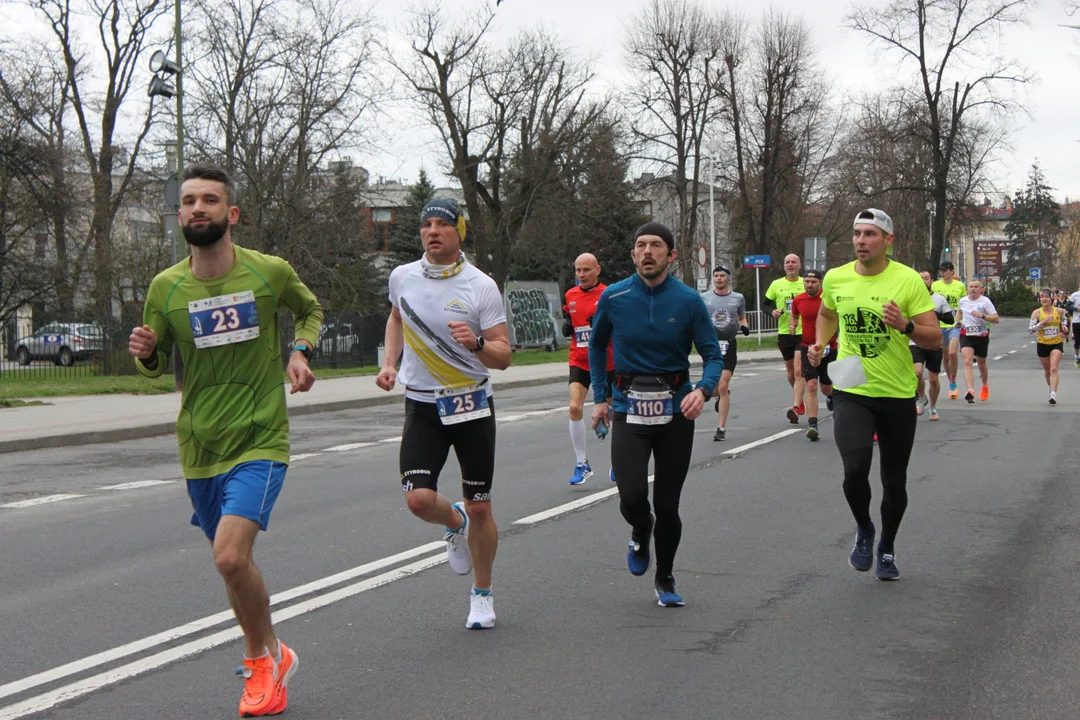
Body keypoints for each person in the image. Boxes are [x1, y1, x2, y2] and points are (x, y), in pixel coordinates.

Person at [128, 163, 321, 717]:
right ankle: (274, 651)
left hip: (260, 434)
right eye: (188, 201)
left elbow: (309, 310)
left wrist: (301, 351)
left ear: (231, 214)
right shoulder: (165, 288)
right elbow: (156, 361)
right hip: (199, 444)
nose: (197, 209)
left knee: (232, 557)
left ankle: (260, 662)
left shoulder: (269, 273)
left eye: (209, 200)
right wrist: (144, 353)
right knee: (229, 564)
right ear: (179, 214)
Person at [376, 198, 511, 630]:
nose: (433, 231)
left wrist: (474, 343)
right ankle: (454, 521)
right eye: (426, 225)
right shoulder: (402, 276)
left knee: (484, 508)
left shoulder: (481, 285)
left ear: (460, 233)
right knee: (417, 499)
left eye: (442, 225)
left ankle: (483, 594)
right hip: (422, 402)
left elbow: (504, 356)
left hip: (470, 401)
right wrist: (389, 363)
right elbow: (397, 318)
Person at [590, 222, 722, 607]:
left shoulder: (688, 301)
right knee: (631, 496)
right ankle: (639, 526)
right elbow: (597, 348)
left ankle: (664, 577)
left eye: (656, 246)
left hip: (675, 410)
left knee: (667, 504)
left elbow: (713, 355)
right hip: (628, 407)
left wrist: (703, 390)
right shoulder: (614, 297)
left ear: (671, 255)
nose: (648, 252)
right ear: (633, 255)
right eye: (641, 245)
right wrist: (600, 397)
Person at [809, 208, 939, 582]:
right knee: (854, 468)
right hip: (852, 389)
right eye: (856, 234)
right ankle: (865, 529)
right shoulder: (836, 278)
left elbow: (934, 337)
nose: (860, 241)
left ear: (888, 241)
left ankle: (888, 547)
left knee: (894, 480)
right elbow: (828, 314)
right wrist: (820, 343)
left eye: (869, 234)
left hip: (897, 393)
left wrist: (906, 325)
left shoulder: (908, 281)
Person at [563, 253, 616, 484]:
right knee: (575, 407)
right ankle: (582, 463)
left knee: (616, 413)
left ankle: (618, 463)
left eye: (586, 270)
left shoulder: (608, 294)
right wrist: (568, 325)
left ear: (598, 270)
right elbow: (571, 320)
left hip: (608, 362)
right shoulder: (570, 294)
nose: (582, 275)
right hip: (580, 360)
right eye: (578, 270)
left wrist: (605, 326)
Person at [700, 265, 749, 441]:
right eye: (716, 276)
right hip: (711, 346)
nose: (719, 278)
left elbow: (742, 317)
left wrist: (744, 326)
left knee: (721, 385)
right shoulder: (704, 298)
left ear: (728, 278)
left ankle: (721, 428)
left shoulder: (738, 298)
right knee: (715, 389)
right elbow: (698, 318)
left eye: (722, 276)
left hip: (729, 345)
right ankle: (722, 394)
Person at [789, 270, 836, 441]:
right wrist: (793, 325)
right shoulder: (798, 299)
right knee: (811, 385)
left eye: (813, 281)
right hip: (807, 346)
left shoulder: (828, 298)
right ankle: (813, 424)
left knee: (826, 387)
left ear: (821, 282)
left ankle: (831, 397)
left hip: (829, 347)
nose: (809, 284)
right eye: (807, 281)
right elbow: (794, 316)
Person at [765, 254, 806, 416]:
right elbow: (765, 305)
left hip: (802, 332)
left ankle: (796, 406)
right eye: (787, 262)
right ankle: (799, 398)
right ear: (784, 266)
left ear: (799, 266)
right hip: (784, 333)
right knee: (790, 374)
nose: (790, 265)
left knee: (798, 371)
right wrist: (772, 312)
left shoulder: (806, 283)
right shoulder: (776, 285)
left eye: (793, 262)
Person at [911, 270, 954, 422]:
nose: (923, 281)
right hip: (915, 342)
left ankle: (933, 406)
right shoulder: (911, 298)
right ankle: (921, 397)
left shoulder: (939, 299)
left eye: (926, 278)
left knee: (934, 379)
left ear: (931, 281)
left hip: (934, 342)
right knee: (917, 373)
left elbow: (950, 319)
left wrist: (937, 315)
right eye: (920, 278)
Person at [955, 279, 1000, 403]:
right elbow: (959, 312)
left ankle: (985, 385)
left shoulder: (985, 301)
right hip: (966, 334)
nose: (973, 289)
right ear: (967, 289)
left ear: (981, 289)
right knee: (968, 361)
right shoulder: (963, 300)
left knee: (981, 364)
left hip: (981, 335)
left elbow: (996, 319)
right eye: (971, 287)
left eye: (976, 287)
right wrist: (957, 322)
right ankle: (970, 390)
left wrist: (983, 316)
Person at [931, 261, 965, 399]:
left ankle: (953, 380)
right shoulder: (935, 285)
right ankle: (951, 380)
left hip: (956, 323)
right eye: (941, 271)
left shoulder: (960, 286)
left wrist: (960, 321)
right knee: (945, 356)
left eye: (945, 270)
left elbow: (963, 305)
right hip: (940, 324)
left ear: (952, 271)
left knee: (952, 353)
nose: (943, 273)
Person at [1030, 289, 1067, 404]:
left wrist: (1064, 327)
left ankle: (1053, 394)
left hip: (1056, 343)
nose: (1044, 299)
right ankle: (1050, 388)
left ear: (1051, 298)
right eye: (1042, 297)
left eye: (1046, 297)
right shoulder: (1037, 313)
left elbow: (1065, 320)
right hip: (1042, 344)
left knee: (1054, 368)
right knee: (1047, 371)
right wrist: (1042, 323)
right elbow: (1031, 330)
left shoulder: (1059, 311)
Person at [1068, 282, 1080, 366]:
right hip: (1077, 321)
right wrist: (1076, 308)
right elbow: (1067, 306)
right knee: (1077, 342)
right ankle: (1076, 356)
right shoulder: (1075, 295)